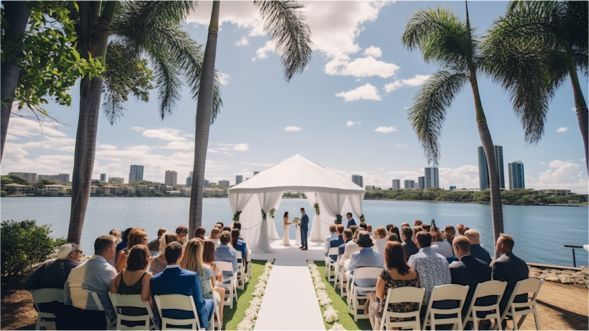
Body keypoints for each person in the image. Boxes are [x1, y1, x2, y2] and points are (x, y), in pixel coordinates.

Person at [151, 242, 214, 329]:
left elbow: (155, 307)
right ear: (180, 257)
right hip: (191, 321)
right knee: (210, 302)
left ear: (166, 256)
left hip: (167, 322)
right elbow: (198, 303)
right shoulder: (192, 277)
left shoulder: (154, 280)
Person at [62, 235, 118, 329]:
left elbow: (67, 298)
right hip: (103, 319)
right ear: (108, 250)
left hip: (75, 317)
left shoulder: (75, 270)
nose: (115, 250)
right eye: (114, 247)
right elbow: (115, 295)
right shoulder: (109, 270)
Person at [366, 242, 420, 330]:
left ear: (387, 255)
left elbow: (379, 295)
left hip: (390, 315)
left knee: (372, 305)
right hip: (411, 314)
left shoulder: (386, 273)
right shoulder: (414, 273)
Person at [26, 243, 83, 314]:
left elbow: (28, 284)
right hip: (69, 310)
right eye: (80, 252)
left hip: (44, 308)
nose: (81, 254)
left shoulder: (46, 265)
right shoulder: (80, 268)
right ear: (72, 254)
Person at [180, 239, 225, 323]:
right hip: (203, 302)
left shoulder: (180, 268)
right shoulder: (206, 270)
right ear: (200, 253)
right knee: (218, 293)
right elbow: (212, 287)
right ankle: (219, 321)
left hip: (184, 304)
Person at [110, 245, 153, 327]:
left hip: (124, 318)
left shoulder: (120, 275)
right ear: (146, 259)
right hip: (142, 320)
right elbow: (144, 297)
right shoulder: (146, 275)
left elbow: (112, 292)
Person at [449, 236, 491, 318]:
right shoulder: (485, 265)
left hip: (465, 309)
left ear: (457, 249)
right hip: (484, 307)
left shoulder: (453, 268)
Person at [407, 231, 451, 305]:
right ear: (431, 242)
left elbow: (409, 277)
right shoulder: (443, 258)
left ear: (417, 242)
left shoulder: (415, 258)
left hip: (425, 302)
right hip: (445, 299)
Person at [492, 234, 529, 314]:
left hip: (505, 306)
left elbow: (496, 287)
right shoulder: (522, 263)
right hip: (522, 303)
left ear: (501, 245)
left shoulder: (499, 263)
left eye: (496, 243)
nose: (495, 244)